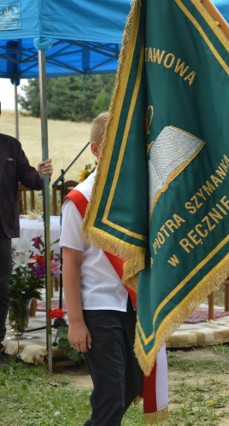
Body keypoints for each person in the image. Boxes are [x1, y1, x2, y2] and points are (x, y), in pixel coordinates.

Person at [60, 112, 142, 424]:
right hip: (97, 307)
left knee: (133, 384)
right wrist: (75, 321)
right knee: (110, 392)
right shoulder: (79, 199)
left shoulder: (133, 194)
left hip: (129, 305)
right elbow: (70, 264)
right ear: (95, 150)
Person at [0, 102, 53, 362]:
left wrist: (41, 175)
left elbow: (27, 177)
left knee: (1, 286)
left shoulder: (10, 145)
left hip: (3, 228)